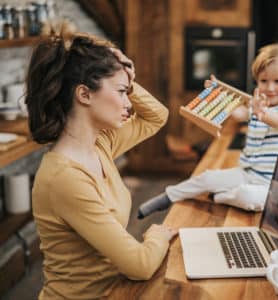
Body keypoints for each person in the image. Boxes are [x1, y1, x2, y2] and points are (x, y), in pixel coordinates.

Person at [26, 33, 177, 299]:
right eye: (121, 92)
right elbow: (140, 265)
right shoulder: (64, 178)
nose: (129, 102)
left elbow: (157, 117)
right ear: (84, 94)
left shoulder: (100, 145)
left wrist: (127, 78)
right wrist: (157, 233)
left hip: (114, 290)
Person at [140, 43, 278, 217]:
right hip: (249, 173)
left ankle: (220, 197)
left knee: (248, 196)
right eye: (264, 81)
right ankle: (169, 196)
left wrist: (259, 111)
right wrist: (217, 95)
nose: (270, 88)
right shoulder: (259, 104)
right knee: (208, 178)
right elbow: (238, 114)